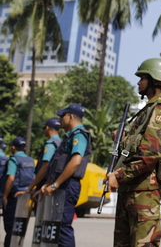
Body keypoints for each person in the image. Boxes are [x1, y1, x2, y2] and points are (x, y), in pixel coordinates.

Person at [106, 58, 161, 247]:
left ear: (156, 80)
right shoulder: (147, 111)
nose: (138, 82)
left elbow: (150, 154)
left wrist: (119, 176)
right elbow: (135, 147)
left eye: (142, 78)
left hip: (144, 192)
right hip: (130, 189)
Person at [41, 104, 92, 247]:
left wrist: (55, 184)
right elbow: (58, 164)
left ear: (71, 117)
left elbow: (75, 161)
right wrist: (49, 183)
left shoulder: (79, 135)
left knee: (62, 228)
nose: (60, 120)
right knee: (55, 228)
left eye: (62, 116)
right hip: (62, 184)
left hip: (68, 185)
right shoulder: (68, 136)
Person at [16, 117, 61, 199]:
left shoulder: (50, 145)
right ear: (59, 130)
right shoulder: (61, 144)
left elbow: (45, 167)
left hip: (44, 184)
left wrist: (30, 188)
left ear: (47, 128)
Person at [2, 137, 35, 247]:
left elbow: (11, 178)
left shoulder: (13, 160)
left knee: (11, 228)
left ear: (13, 147)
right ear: (24, 147)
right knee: (20, 227)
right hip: (26, 196)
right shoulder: (30, 160)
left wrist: (5, 196)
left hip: (14, 197)